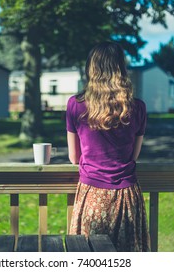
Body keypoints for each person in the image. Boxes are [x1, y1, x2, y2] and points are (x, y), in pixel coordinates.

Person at [65, 41, 150, 252]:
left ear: (92, 69)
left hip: (91, 195)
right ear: (121, 69)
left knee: (88, 257)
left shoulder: (76, 105)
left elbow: (74, 158)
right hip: (127, 197)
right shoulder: (138, 107)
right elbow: (134, 155)